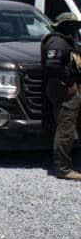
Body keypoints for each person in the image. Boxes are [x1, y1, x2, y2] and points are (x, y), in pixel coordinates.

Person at [41, 12, 81, 181]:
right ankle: (62, 168)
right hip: (63, 90)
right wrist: (70, 83)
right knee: (66, 129)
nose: (76, 28)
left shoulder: (65, 41)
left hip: (68, 89)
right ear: (65, 25)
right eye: (73, 25)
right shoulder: (57, 42)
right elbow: (53, 66)